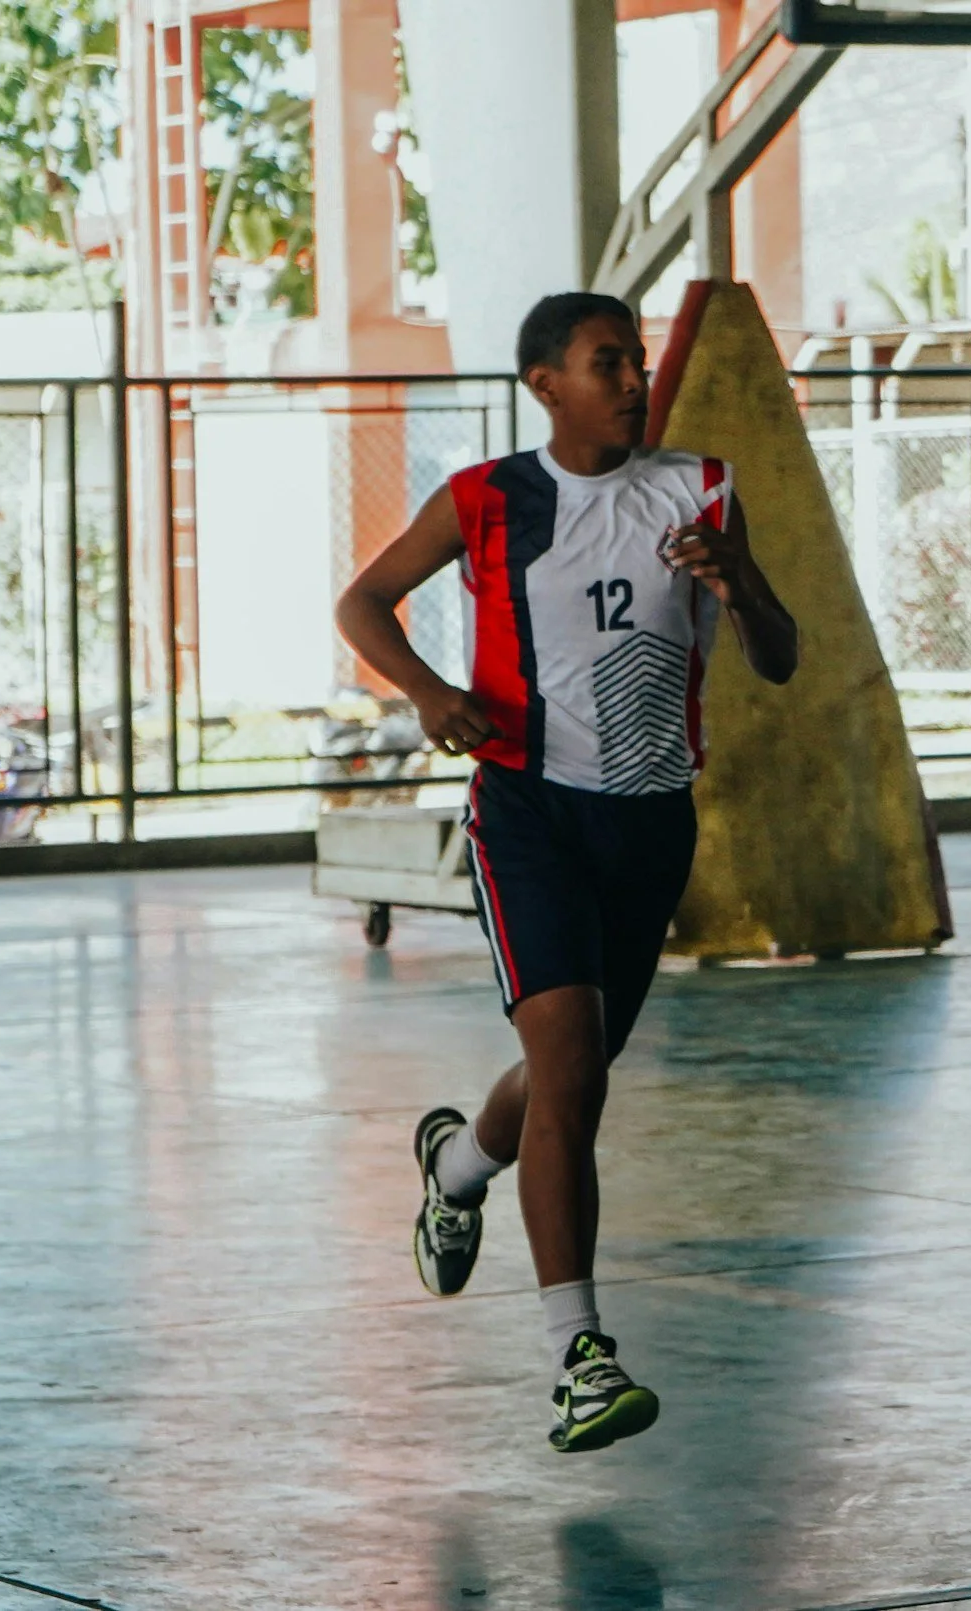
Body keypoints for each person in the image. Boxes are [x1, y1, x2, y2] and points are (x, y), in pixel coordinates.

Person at [334, 291, 798, 1452]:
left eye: (636, 360)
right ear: (545, 383)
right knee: (573, 1069)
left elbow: (782, 661)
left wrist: (741, 581)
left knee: (565, 1077)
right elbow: (364, 600)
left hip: (649, 821)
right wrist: (430, 692)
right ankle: (578, 1357)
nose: (635, 379)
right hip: (527, 809)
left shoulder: (701, 486)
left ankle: (456, 1165)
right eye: (608, 363)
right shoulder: (490, 499)